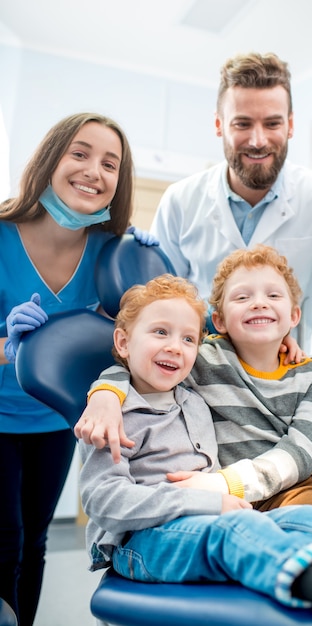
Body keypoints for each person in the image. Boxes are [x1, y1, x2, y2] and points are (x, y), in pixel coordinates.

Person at [78, 273, 312, 626]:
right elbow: (106, 502)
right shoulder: (109, 420)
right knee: (238, 531)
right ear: (122, 342)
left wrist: (280, 339)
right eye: (160, 332)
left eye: (189, 338)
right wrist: (104, 393)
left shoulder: (192, 398)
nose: (176, 347)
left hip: (211, 516)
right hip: (143, 540)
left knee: (301, 519)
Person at [148, 51, 312, 442]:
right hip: (199, 394)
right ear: (220, 125)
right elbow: (157, 309)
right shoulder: (180, 200)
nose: (258, 140)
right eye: (242, 123)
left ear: (290, 125)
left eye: (272, 123)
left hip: (287, 398)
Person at [79, 245, 312, 538]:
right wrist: (106, 395)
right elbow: (140, 363)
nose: (259, 304)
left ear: (293, 315)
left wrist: (225, 483)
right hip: (266, 502)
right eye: (242, 297)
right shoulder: (202, 358)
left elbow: (303, 450)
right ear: (220, 320)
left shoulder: (309, 370)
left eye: (273, 295)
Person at [0, 112, 153, 626]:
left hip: (56, 420)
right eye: (80, 153)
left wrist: (157, 279)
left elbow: (150, 337)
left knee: (35, 542)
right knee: (4, 541)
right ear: (50, 160)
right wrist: (9, 347)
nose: (94, 170)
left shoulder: (111, 258)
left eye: (110, 163)